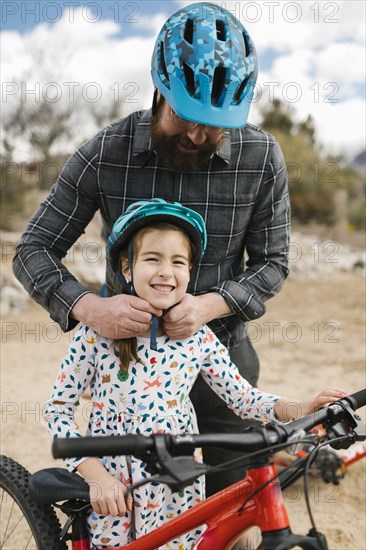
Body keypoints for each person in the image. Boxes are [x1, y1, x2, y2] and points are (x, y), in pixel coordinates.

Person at [13, 2, 290, 496]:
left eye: (215, 124)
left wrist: (210, 305)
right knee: (133, 511)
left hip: (221, 357)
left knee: (234, 511)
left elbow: (273, 264)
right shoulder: (105, 153)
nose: (197, 135)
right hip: (124, 374)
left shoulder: (262, 158)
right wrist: (89, 307)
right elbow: (33, 249)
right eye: (185, 116)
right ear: (160, 88)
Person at [44, 199, 345, 549]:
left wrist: (299, 407)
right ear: (127, 268)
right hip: (115, 490)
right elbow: (57, 411)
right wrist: (94, 474)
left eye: (178, 262)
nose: (166, 272)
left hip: (177, 488)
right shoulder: (95, 334)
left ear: (189, 273)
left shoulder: (198, 337)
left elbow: (243, 398)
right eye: (152, 258)